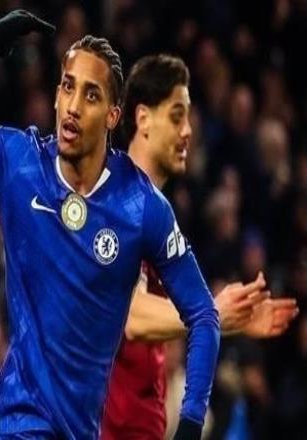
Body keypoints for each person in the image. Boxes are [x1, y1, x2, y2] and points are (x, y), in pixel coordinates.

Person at [0, 10, 219, 439]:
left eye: (91, 95)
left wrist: (191, 422)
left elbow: (203, 315)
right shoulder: (17, 163)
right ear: (56, 95)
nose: (73, 106)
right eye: (68, 87)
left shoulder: (142, 206)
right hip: (19, 423)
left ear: (113, 116)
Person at [101, 54, 299, 439]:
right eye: (177, 116)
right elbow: (131, 317)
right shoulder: (118, 203)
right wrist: (213, 315)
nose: (188, 131)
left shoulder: (156, 215)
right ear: (143, 118)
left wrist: (228, 319)